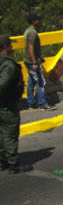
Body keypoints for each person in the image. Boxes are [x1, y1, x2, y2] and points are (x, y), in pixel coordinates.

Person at [0, 34, 32, 174]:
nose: (12, 47)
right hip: (7, 105)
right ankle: (13, 164)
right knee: (10, 133)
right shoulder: (8, 65)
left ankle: (3, 161)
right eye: (10, 45)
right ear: (5, 47)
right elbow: (3, 85)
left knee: (1, 133)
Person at [24, 13, 55, 111]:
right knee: (40, 82)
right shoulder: (33, 32)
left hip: (28, 60)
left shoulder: (28, 31)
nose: (40, 22)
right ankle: (43, 104)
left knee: (31, 82)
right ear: (34, 21)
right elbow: (31, 47)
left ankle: (31, 103)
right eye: (38, 20)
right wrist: (34, 62)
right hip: (32, 61)